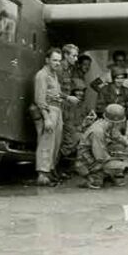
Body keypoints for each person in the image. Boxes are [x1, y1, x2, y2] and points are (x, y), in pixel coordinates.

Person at [75, 103, 128, 189]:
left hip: (96, 156)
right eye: (119, 122)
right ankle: (92, 177)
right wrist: (125, 158)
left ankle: (105, 174)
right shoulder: (97, 132)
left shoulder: (107, 124)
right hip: (87, 162)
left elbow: (118, 137)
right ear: (114, 121)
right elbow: (101, 157)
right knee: (121, 166)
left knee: (119, 147)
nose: (120, 124)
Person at [32, 48, 66, 186]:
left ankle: (50, 171)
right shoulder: (42, 75)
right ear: (47, 60)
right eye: (54, 60)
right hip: (48, 110)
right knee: (46, 143)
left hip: (56, 110)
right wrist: (46, 118)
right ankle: (42, 175)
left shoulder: (54, 74)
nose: (57, 63)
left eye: (59, 60)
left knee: (55, 143)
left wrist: (66, 98)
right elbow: (39, 99)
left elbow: (55, 92)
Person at [57, 43, 84, 173]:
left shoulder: (68, 69)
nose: (76, 58)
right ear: (65, 55)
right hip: (59, 108)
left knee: (68, 140)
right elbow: (54, 90)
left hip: (66, 110)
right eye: (73, 55)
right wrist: (67, 98)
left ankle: (58, 169)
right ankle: (55, 169)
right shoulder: (59, 69)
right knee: (64, 140)